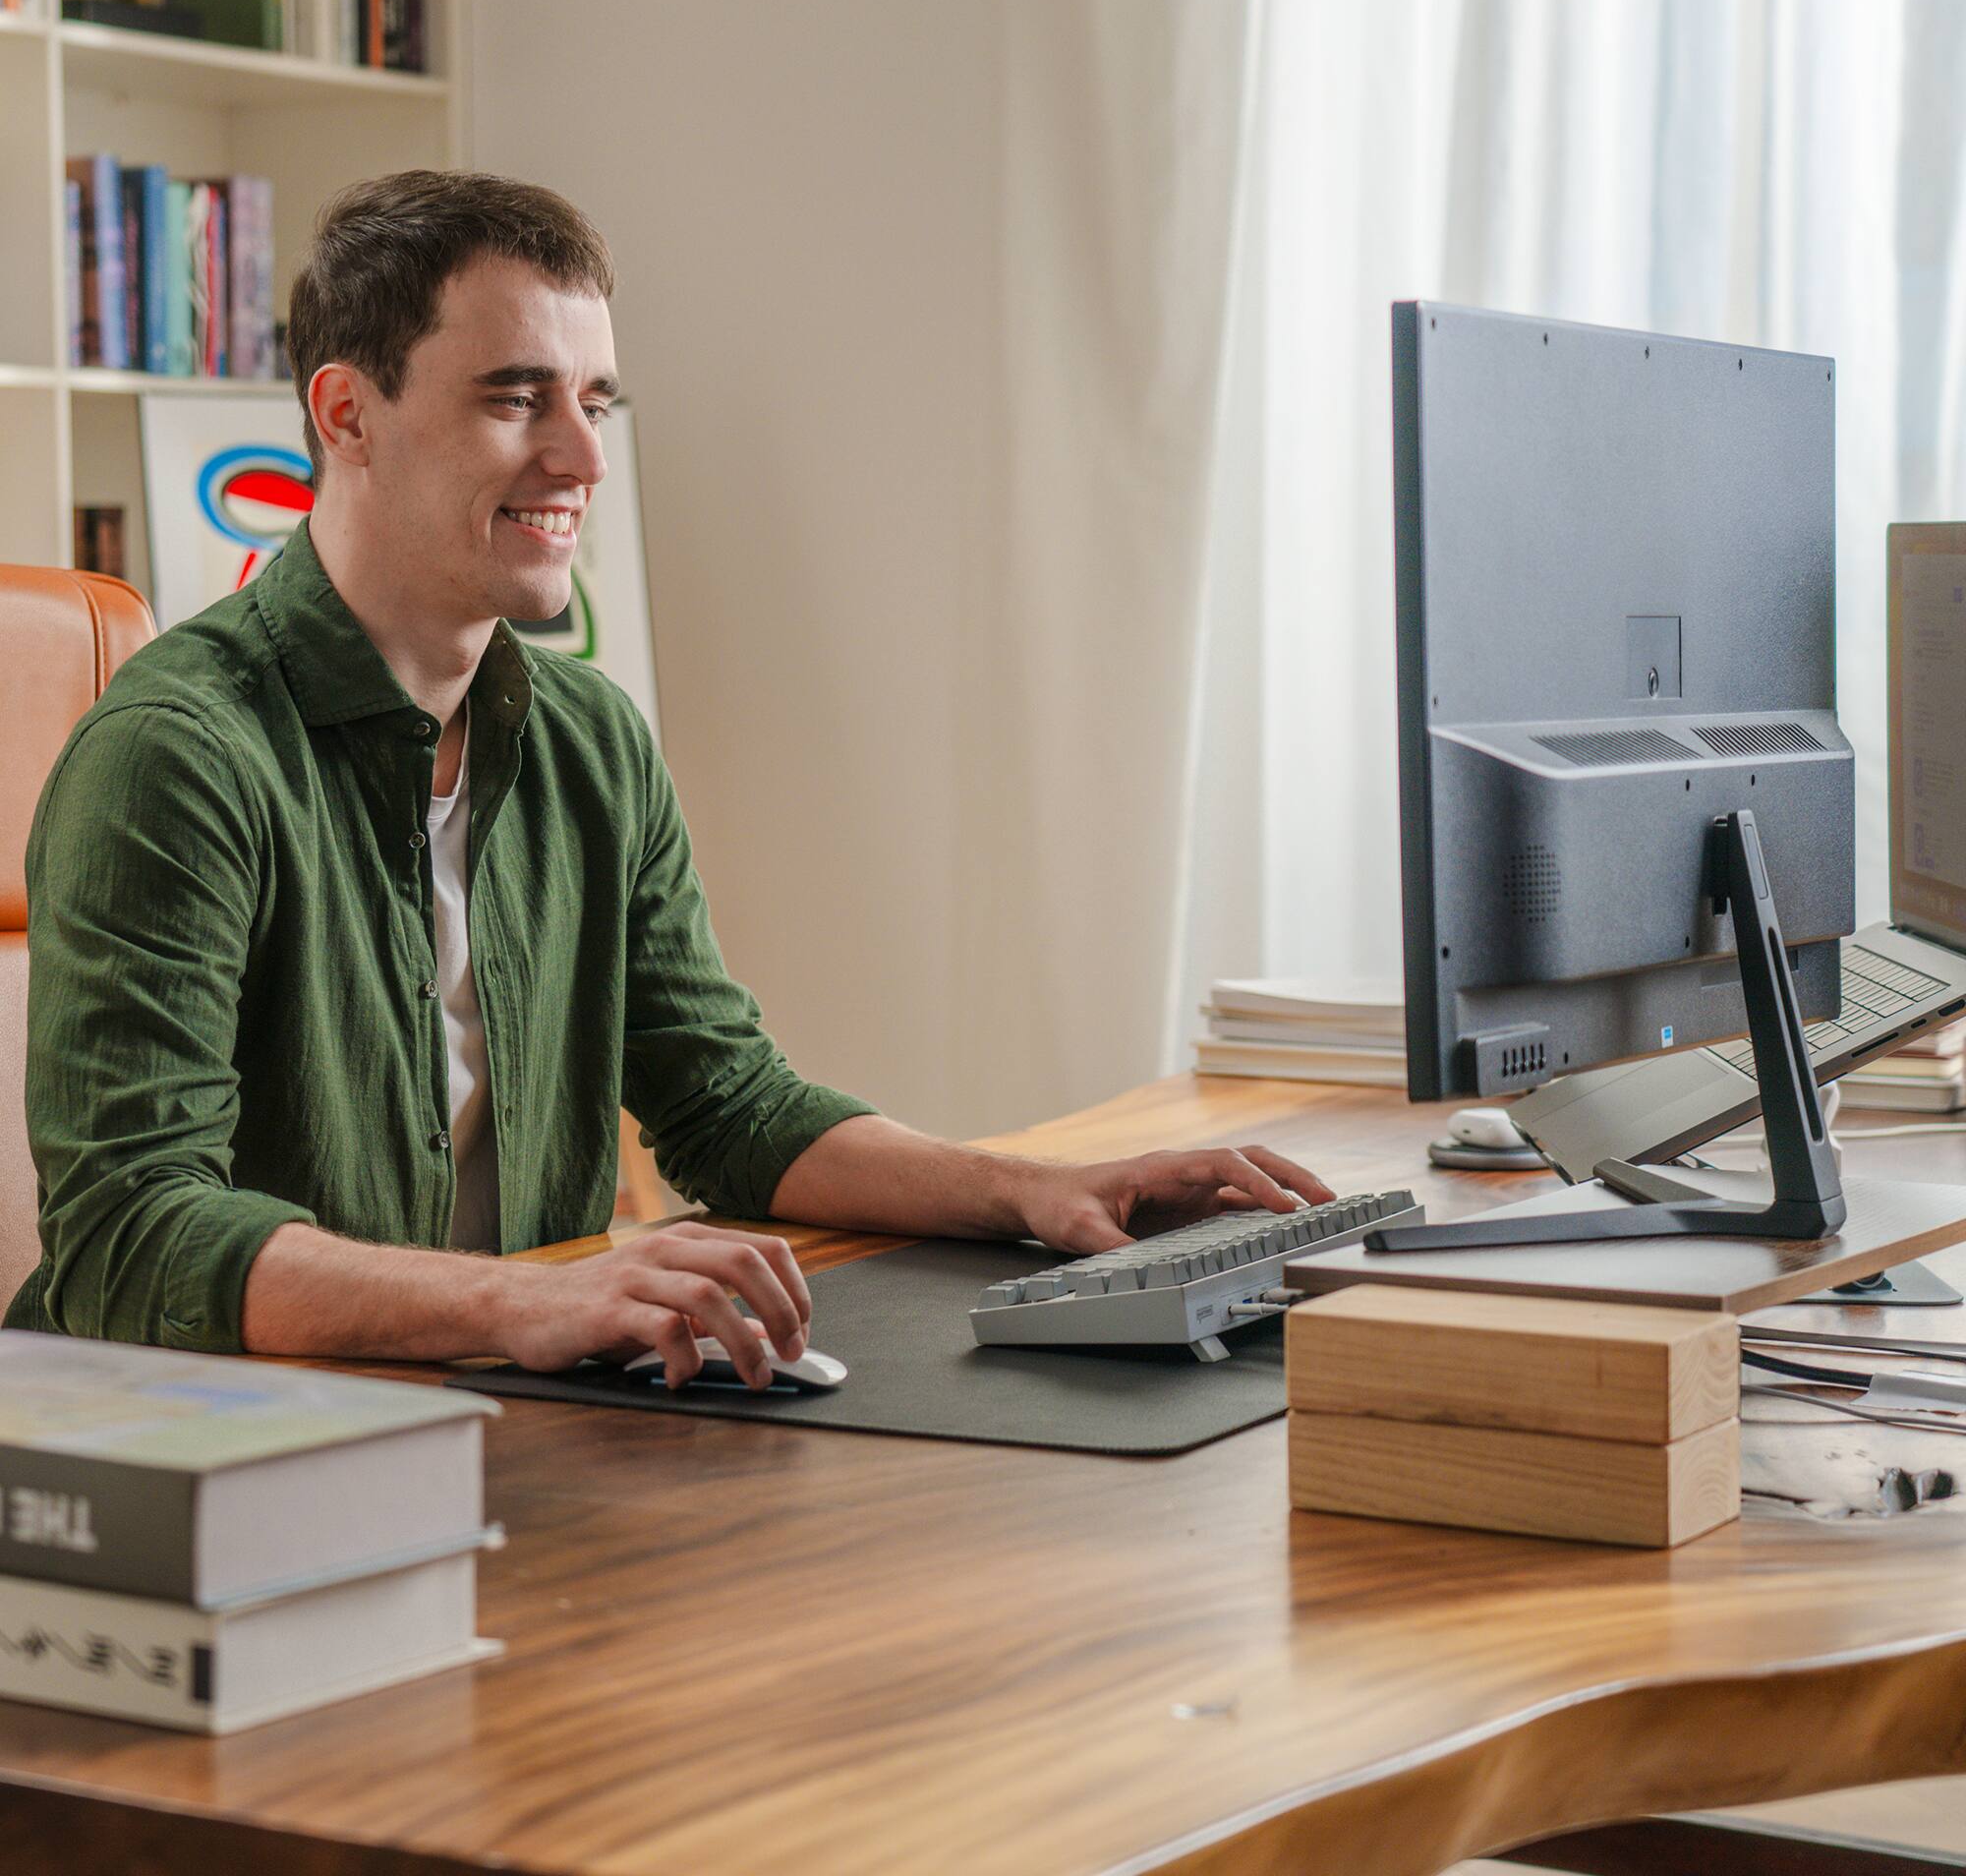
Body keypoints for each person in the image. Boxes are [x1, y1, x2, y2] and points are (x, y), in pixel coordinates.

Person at [9, 170, 1333, 1388]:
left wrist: (1033, 1192)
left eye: (594, 403)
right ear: (347, 414)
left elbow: (729, 1107)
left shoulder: (589, 741)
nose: (584, 459)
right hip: (211, 1450)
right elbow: (135, 1238)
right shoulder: (178, 752)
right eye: (516, 399)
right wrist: (527, 1301)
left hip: (512, 1413)